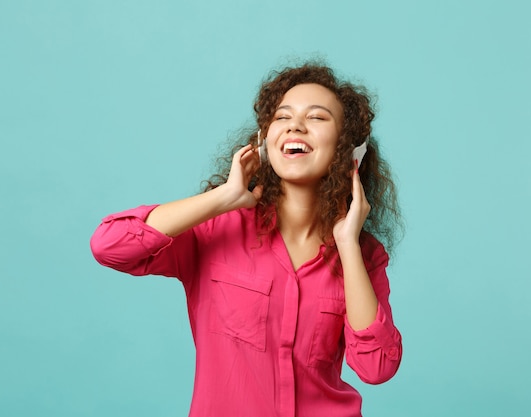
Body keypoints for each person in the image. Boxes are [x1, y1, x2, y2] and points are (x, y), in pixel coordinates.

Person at [90, 62, 403, 417]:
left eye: (317, 118)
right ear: (264, 141)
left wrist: (347, 246)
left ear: (350, 150)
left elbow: (376, 367)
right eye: (282, 117)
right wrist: (223, 197)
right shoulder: (217, 230)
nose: (295, 125)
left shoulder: (364, 255)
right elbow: (109, 245)